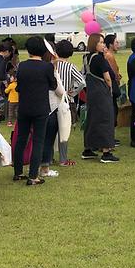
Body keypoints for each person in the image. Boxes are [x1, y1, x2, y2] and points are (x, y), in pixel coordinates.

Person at [11, 37, 59, 184]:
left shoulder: (22, 66)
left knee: (21, 140)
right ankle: (33, 176)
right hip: (40, 108)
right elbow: (53, 85)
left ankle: (18, 172)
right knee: (38, 141)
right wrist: (54, 67)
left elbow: (18, 87)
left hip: (24, 107)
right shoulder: (47, 67)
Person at [83, 33, 119, 163]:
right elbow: (108, 77)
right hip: (101, 92)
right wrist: (110, 87)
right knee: (106, 119)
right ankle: (106, 152)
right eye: (101, 42)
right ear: (94, 44)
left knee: (92, 119)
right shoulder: (99, 59)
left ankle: (88, 149)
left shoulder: (86, 57)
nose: (103, 45)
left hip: (91, 93)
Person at [37, 42, 67, 179]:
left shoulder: (34, 67)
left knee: (39, 139)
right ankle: (45, 168)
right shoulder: (50, 70)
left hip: (38, 107)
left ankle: (36, 166)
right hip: (51, 108)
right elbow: (60, 91)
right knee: (48, 139)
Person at [54, 39, 86, 165]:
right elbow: (82, 82)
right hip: (66, 101)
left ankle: (49, 157)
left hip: (52, 101)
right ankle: (63, 159)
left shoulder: (52, 64)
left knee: (51, 130)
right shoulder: (70, 66)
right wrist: (74, 92)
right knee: (64, 129)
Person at [104, 33, 123, 136]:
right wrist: (117, 77)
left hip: (111, 85)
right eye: (116, 42)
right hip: (111, 86)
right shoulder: (109, 56)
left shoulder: (109, 55)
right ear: (110, 44)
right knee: (112, 111)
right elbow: (111, 73)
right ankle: (110, 136)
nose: (118, 44)